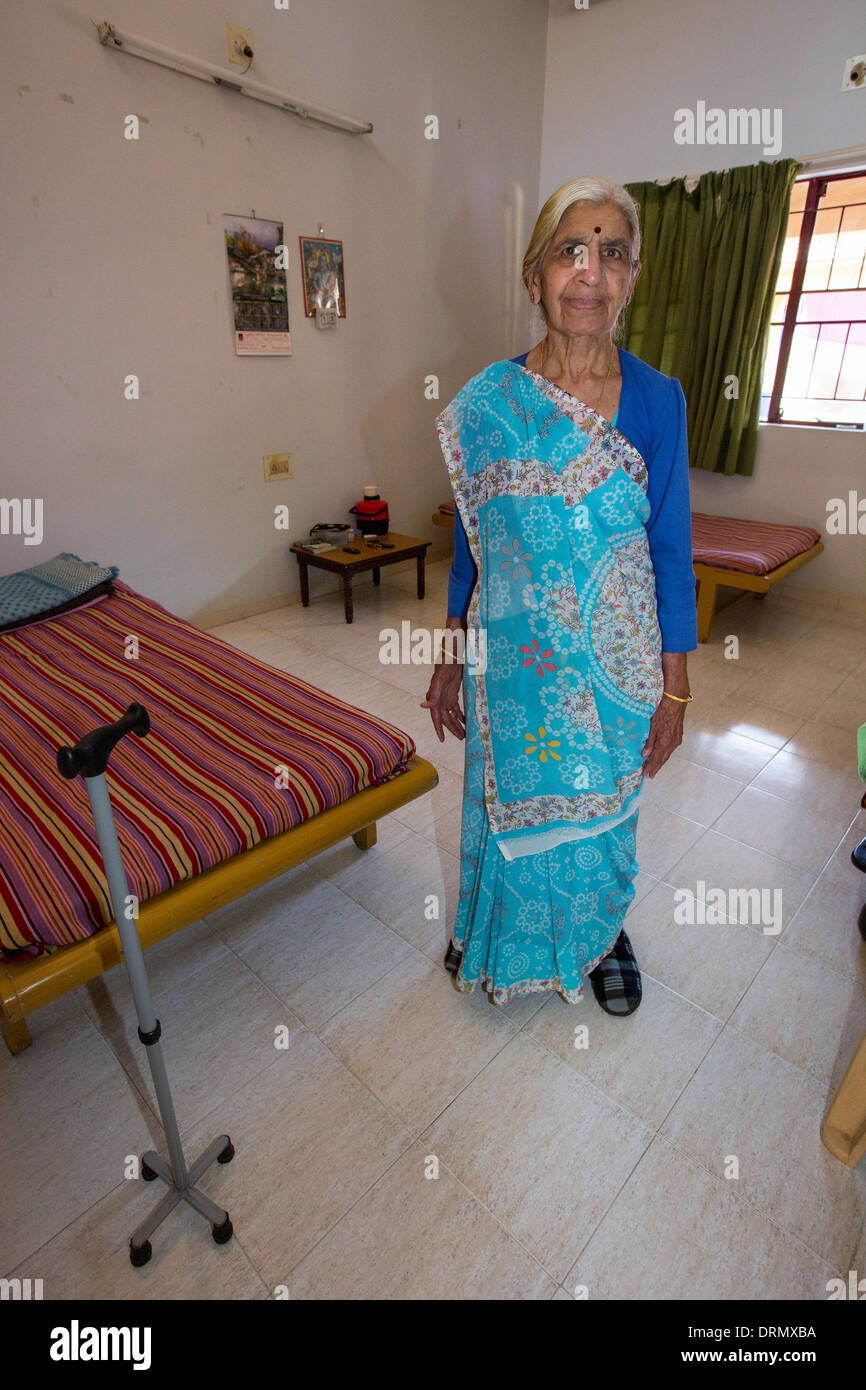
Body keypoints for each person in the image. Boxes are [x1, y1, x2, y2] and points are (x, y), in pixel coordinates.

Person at [422, 176, 697, 1016]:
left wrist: (676, 684)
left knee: (605, 814)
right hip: (516, 667)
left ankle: (601, 934)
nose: (590, 271)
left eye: (612, 252)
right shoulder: (487, 407)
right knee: (507, 808)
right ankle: (495, 928)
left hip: (616, 671)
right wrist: (448, 655)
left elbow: (671, 550)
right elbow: (474, 547)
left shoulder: (657, 400)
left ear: (632, 276)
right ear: (535, 275)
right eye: (569, 251)